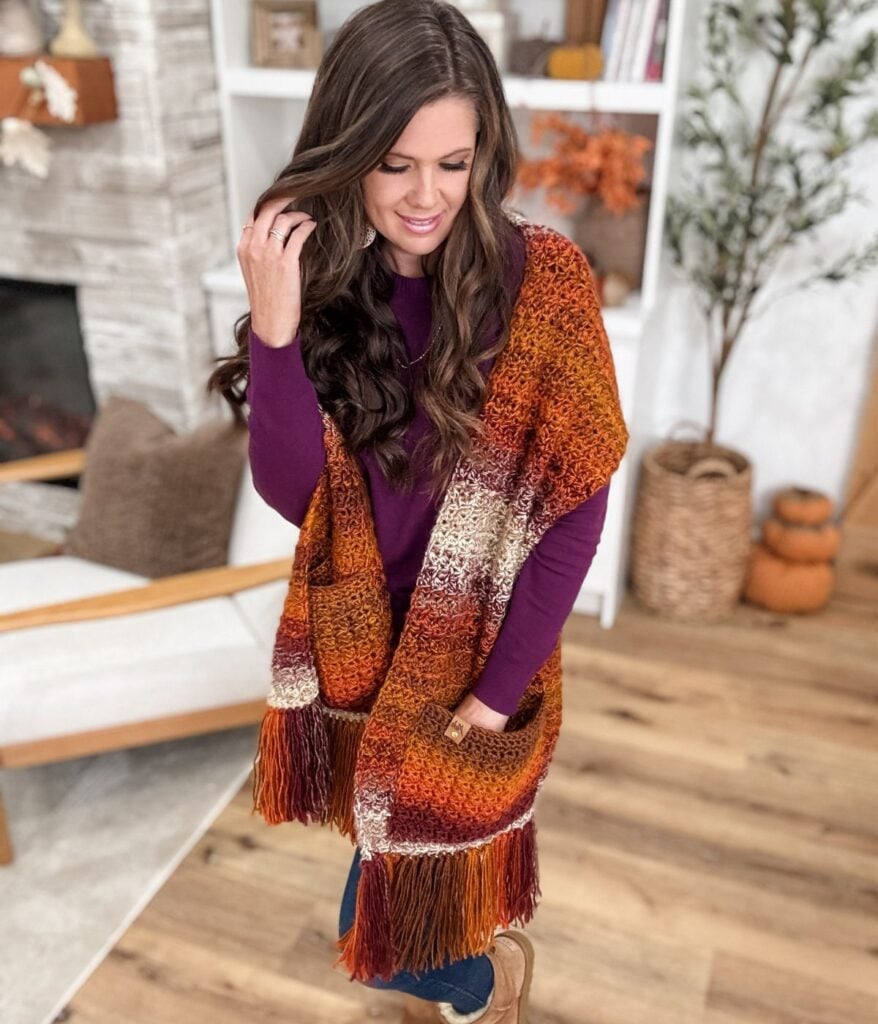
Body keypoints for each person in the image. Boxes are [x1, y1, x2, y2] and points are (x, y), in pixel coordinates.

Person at [206, 2, 628, 1022]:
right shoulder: (319, 285)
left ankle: (479, 978)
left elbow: (576, 509)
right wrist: (274, 327)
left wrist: (488, 699)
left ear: (483, 151)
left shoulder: (544, 286)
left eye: (453, 161)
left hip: (478, 650)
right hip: (359, 653)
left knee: (385, 930)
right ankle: (471, 969)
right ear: (348, 150)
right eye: (395, 163)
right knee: (404, 877)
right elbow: (296, 496)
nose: (427, 195)